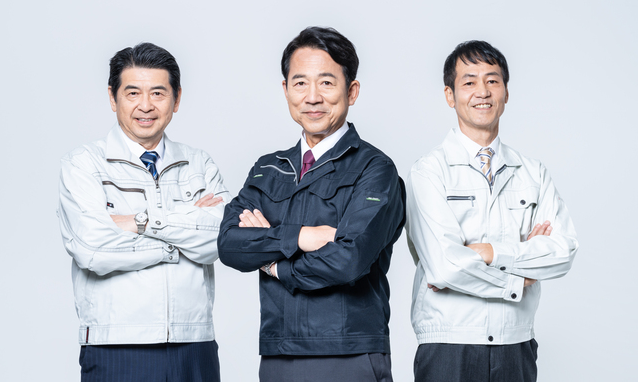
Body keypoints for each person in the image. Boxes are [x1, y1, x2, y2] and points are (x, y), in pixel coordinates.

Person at [218, 26, 405, 382]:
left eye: (327, 83)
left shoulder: (375, 169)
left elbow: (348, 260)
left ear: (352, 91)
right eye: (300, 83)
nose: (312, 97)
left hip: (348, 353)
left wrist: (274, 266)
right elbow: (229, 244)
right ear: (286, 90)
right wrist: (302, 237)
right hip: (278, 354)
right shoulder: (269, 168)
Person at [406, 40, 578, 382]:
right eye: (469, 82)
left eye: (492, 80)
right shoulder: (429, 171)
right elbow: (444, 267)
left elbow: (562, 251)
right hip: (448, 344)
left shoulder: (533, 173)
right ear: (450, 95)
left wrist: (490, 252)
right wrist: (520, 276)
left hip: (515, 342)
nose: (482, 92)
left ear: (506, 92)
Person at [58, 43, 230, 382]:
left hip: (194, 343)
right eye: (133, 93)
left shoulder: (199, 164)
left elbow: (220, 239)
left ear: (176, 99)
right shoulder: (84, 165)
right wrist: (179, 239)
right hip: (115, 345)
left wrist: (141, 223)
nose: (146, 106)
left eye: (158, 93)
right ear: (113, 97)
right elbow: (92, 249)